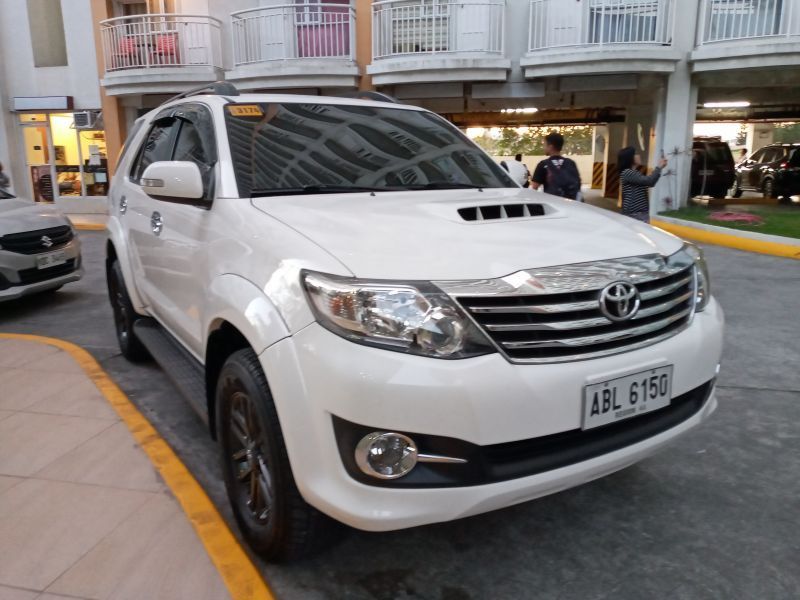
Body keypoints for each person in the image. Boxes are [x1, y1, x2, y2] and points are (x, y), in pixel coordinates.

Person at [618, 146, 668, 223]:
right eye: (636, 154)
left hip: (638, 213)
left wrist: (659, 168)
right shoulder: (627, 173)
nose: (639, 156)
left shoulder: (632, 172)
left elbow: (650, 181)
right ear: (630, 157)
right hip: (635, 214)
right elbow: (650, 181)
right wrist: (659, 167)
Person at [531, 133, 582, 200]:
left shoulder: (543, 164)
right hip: (572, 205)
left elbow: (534, 188)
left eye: (545, 145)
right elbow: (578, 185)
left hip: (553, 205)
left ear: (550, 146)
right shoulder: (571, 163)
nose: (544, 147)